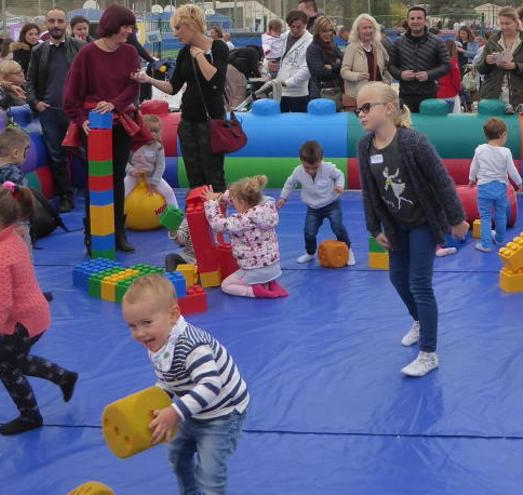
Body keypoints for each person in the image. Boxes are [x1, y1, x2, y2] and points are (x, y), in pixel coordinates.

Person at [355, 82, 468, 377]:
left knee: (419, 283)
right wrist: (373, 227)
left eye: (367, 107)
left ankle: (429, 354)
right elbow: (369, 191)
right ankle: (419, 321)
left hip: (423, 222)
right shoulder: (365, 146)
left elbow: (442, 181)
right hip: (395, 224)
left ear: (388, 108)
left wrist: (456, 219)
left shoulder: (413, 142)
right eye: (358, 109)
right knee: (397, 278)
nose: (361, 114)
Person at [0, 184, 77, 435]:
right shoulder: (14, 238)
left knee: (6, 369)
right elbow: (23, 279)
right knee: (18, 361)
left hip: (21, 322)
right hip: (36, 314)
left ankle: (30, 416)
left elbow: (0, 306)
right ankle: (63, 377)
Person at [122, 274, 248, 495]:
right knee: (177, 457)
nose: (139, 333)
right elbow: (168, 380)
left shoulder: (192, 345)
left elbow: (210, 385)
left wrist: (175, 411)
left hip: (223, 412)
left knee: (210, 473)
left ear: (173, 315)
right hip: (192, 409)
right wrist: (156, 402)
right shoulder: (157, 342)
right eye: (132, 326)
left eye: (146, 323)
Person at [64, 4, 142, 254]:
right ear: (112, 26)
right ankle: (94, 233)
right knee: (96, 180)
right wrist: (82, 121)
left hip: (119, 122)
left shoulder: (130, 52)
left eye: (131, 27)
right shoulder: (87, 54)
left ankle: (119, 232)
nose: (129, 31)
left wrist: (115, 104)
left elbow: (133, 87)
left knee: (117, 177)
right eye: (126, 26)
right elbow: (71, 96)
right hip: (94, 127)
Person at [133, 5, 229, 192]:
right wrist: (149, 79)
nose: (175, 33)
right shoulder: (184, 52)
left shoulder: (218, 47)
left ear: (191, 24)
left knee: (214, 174)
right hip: (188, 121)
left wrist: (200, 56)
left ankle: (218, 217)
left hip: (211, 122)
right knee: (194, 175)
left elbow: (216, 79)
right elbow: (173, 87)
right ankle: (198, 216)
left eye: (178, 28)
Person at [25, 7, 84, 213]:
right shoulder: (38, 51)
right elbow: (30, 80)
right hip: (49, 112)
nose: (56, 25)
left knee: (85, 152)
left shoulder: (80, 47)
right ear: (46, 24)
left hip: (76, 112)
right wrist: (36, 102)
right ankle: (66, 196)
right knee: (57, 156)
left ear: (66, 23)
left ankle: (96, 193)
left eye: (60, 21)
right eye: (52, 21)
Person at [203, 176, 288, 299]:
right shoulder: (267, 206)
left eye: (235, 201)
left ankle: (255, 291)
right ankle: (271, 283)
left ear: (242, 202)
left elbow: (217, 224)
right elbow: (241, 200)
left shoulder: (243, 220)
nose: (233, 204)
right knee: (264, 270)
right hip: (274, 268)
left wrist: (211, 204)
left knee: (226, 285)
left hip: (255, 270)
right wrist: (221, 197)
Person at [278, 140, 354, 265]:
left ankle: (348, 250)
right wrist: (283, 198)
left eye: (315, 167)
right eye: (307, 167)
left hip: (331, 204)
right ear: (301, 160)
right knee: (309, 232)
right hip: (313, 208)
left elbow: (339, 175)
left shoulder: (328, 168)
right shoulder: (298, 171)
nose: (311, 171)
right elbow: (290, 183)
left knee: (338, 227)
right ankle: (310, 253)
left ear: (321, 159)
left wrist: (339, 186)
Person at [468, 117, 523, 252]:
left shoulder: (480, 149)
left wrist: (471, 179)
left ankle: (486, 245)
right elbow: (512, 170)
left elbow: (474, 166)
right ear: (502, 134)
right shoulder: (506, 152)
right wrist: (519, 183)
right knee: (501, 214)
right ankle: (499, 239)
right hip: (500, 188)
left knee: (485, 216)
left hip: (484, 188)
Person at [475, 7, 523, 115]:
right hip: (493, 94)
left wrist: (515, 66)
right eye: (501, 23)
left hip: (519, 96)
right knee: (494, 128)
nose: (504, 27)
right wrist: (486, 61)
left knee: (516, 128)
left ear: (516, 22)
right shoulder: (493, 40)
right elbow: (480, 68)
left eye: (507, 23)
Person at [388, 6, 450, 113]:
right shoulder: (398, 43)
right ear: (408, 21)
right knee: (406, 127)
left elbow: (447, 65)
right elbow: (390, 65)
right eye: (412, 18)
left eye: (419, 18)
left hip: (429, 96)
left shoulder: (437, 42)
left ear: (425, 21)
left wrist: (429, 74)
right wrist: (401, 74)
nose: (415, 21)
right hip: (406, 95)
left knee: (429, 127)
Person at [125, 114, 177, 209]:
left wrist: (154, 182)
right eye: (150, 131)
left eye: (155, 131)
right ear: (142, 131)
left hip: (151, 177)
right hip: (134, 177)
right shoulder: (134, 145)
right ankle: (116, 218)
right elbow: (124, 161)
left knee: (168, 192)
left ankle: (175, 218)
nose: (153, 133)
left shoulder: (158, 147)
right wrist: (132, 171)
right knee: (122, 192)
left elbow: (160, 165)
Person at [341, 13, 391, 106]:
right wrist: (357, 76)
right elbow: (344, 72)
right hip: (358, 97)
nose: (368, 30)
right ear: (358, 30)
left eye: (370, 27)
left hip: (377, 96)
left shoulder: (379, 46)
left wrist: (386, 82)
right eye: (364, 28)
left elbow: (386, 67)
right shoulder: (351, 48)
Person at [271, 10, 312, 113]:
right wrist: (268, 66)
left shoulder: (310, 41)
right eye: (292, 26)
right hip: (279, 93)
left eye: (299, 27)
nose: (295, 29)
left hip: (298, 94)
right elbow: (270, 56)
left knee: (299, 127)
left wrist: (287, 83)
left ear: (305, 25)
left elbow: (307, 69)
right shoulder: (283, 37)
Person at [306, 16, 343, 108]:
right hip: (320, 94)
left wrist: (332, 67)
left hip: (336, 91)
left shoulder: (333, 46)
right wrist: (338, 65)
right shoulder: (313, 49)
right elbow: (322, 73)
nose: (328, 34)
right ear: (318, 32)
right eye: (324, 31)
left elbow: (345, 63)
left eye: (330, 30)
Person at [436, 40, 461, 113]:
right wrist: (458, 89)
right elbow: (456, 80)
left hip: (439, 93)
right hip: (450, 93)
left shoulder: (437, 62)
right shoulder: (453, 62)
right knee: (453, 117)